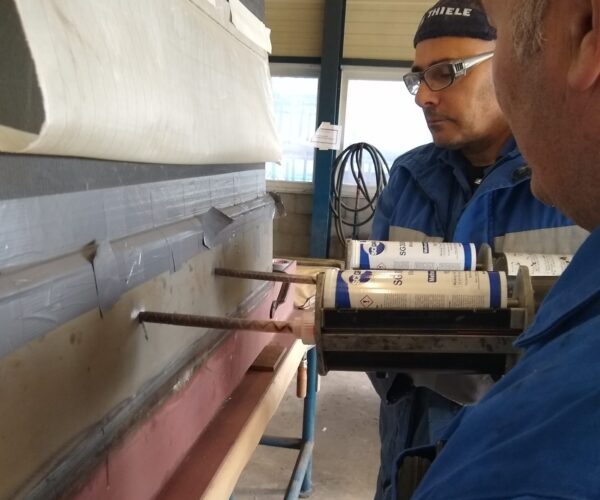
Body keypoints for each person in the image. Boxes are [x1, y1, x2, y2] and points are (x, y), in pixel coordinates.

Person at [369, 1, 589, 498]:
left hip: (524, 470)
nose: (424, 96)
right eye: (419, 77)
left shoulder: (570, 185)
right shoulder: (407, 179)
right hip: (409, 456)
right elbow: (369, 323)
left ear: (511, 60)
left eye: (446, 74)